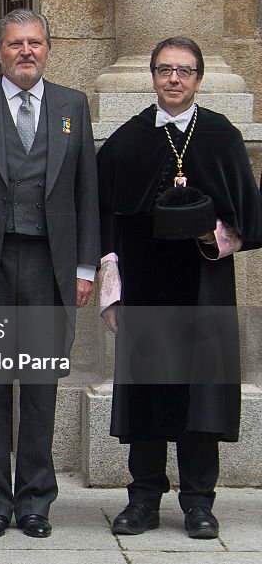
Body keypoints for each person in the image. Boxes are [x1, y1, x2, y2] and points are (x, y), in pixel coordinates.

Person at [0, 9, 99, 539]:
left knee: (41, 385)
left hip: (50, 266)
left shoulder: (72, 105)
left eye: (34, 43)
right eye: (14, 44)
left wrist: (84, 266)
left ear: (48, 49)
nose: (25, 52)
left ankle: (35, 501)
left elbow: (85, 193)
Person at [97, 37, 262, 540]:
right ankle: (143, 498)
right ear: (151, 76)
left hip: (203, 283)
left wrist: (209, 233)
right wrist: (110, 286)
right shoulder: (128, 139)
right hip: (146, 283)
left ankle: (197, 502)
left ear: (199, 78)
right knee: (147, 392)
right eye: (165, 70)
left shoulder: (220, 135)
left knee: (201, 394)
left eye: (184, 71)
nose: (174, 79)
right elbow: (106, 217)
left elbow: (249, 217)